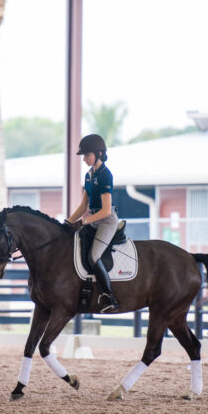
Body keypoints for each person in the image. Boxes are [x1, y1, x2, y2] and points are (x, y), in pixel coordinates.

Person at [65, 133, 119, 313]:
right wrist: (67, 222)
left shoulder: (105, 175)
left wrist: (83, 221)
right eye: (84, 156)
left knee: (94, 256)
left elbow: (105, 210)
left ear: (99, 154)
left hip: (106, 221)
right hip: (92, 220)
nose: (84, 159)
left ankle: (109, 297)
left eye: (87, 156)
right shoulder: (89, 175)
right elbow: (83, 206)